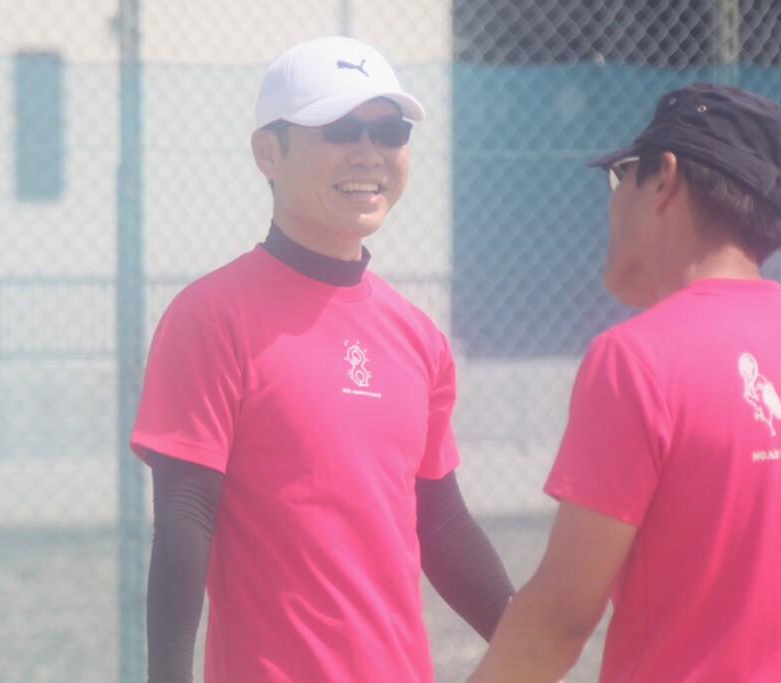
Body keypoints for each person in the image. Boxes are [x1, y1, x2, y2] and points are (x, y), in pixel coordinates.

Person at [468, 83, 781, 682]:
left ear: (664, 177)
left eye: (621, 176)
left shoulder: (636, 362)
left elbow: (561, 616)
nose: (612, 204)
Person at [131, 36, 514, 683]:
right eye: (339, 129)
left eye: (389, 131)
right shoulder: (211, 316)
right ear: (268, 152)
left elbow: (441, 522)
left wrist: (538, 646)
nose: (369, 152)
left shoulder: (418, 335)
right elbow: (184, 523)